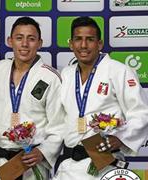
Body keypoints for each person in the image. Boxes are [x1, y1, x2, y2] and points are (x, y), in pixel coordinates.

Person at [53, 16, 148, 180]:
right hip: (69, 166)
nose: (83, 45)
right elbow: (59, 119)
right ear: (71, 44)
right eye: (78, 39)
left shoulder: (119, 71)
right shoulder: (66, 74)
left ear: (100, 43)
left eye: (90, 39)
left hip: (105, 164)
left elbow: (140, 112)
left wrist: (120, 138)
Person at [0, 17, 65, 179]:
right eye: (19, 38)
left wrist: (43, 151)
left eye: (31, 39)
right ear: (10, 41)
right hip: (1, 162)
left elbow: (59, 124)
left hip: (32, 162)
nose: (24, 44)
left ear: (40, 43)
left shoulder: (49, 77)